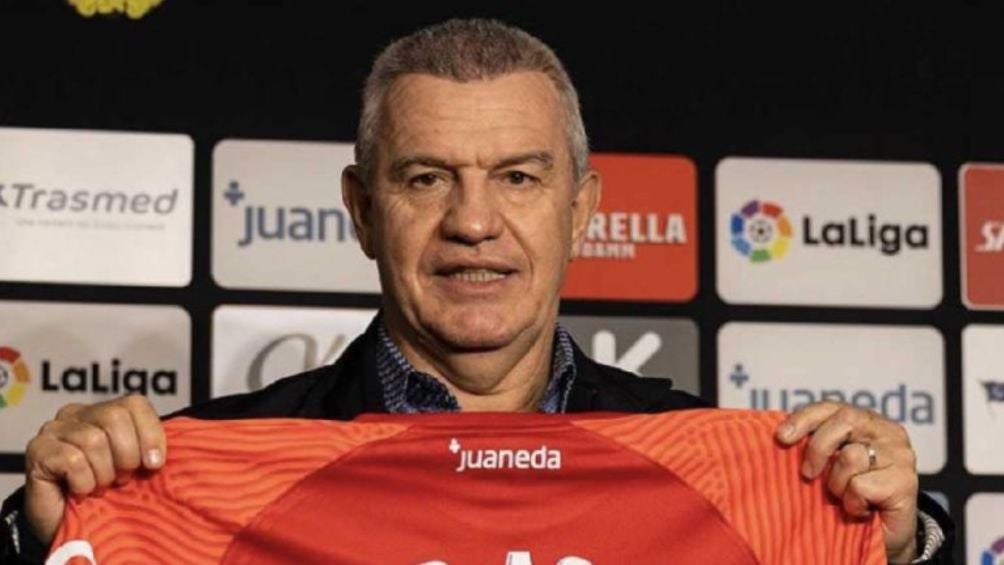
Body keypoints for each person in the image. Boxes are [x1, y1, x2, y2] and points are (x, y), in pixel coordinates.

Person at [1, 18, 952, 564]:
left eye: (518, 178)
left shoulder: (730, 481)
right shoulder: (196, 476)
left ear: (581, 211)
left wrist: (896, 545)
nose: (473, 221)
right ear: (362, 211)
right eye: (426, 179)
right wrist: (49, 534)